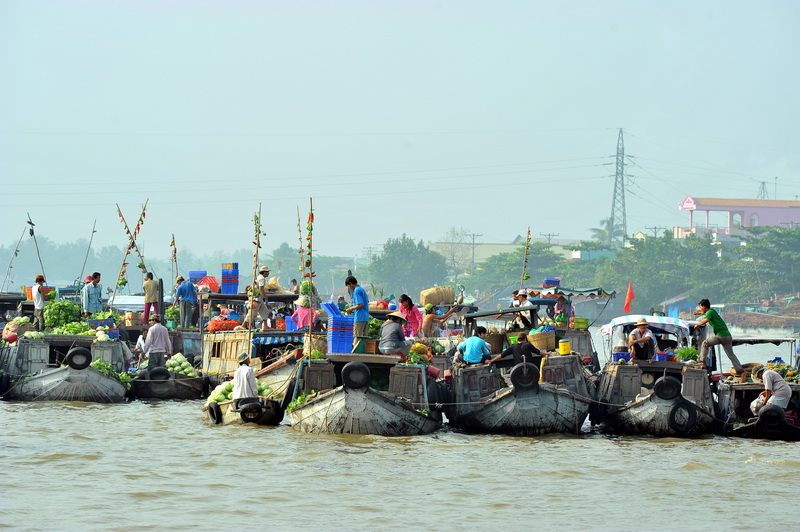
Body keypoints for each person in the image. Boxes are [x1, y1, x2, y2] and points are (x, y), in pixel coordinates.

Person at [694, 299, 745, 375]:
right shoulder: (712, 311)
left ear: (704, 307)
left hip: (721, 336)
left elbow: (706, 319)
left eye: (701, 307)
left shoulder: (709, 313)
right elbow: (705, 314)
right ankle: (740, 370)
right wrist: (698, 313)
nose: (700, 308)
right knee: (731, 355)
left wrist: (697, 325)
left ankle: (702, 362)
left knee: (705, 343)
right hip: (727, 336)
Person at [345, 276, 370, 350]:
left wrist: (351, 309)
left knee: (357, 336)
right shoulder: (361, 289)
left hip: (359, 317)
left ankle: (355, 353)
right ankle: (363, 352)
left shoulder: (356, 291)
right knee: (364, 337)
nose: (349, 288)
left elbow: (360, 304)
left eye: (348, 286)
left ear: (350, 284)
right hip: (365, 317)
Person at [244, 266, 271, 331]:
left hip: (259, 300)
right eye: (267, 272)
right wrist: (265, 297)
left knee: (265, 311)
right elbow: (261, 289)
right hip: (257, 299)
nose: (268, 273)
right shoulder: (261, 278)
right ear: (264, 272)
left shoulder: (259, 277)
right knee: (252, 313)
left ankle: (265, 326)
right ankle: (243, 325)